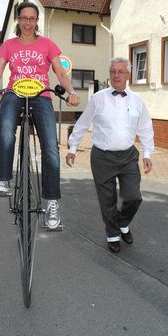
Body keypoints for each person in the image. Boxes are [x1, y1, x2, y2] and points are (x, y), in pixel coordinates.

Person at [0, 1, 79, 229]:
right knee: (5, 128)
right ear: (18, 20)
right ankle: (3, 179)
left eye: (32, 18)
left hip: (41, 94)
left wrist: (71, 91)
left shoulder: (48, 44)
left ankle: (52, 203)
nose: (28, 22)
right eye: (24, 18)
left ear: (37, 21)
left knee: (51, 146)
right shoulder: (9, 45)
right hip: (15, 91)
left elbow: (60, 72)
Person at [66, 57, 154, 252]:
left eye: (120, 72)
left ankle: (122, 223)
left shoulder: (138, 102)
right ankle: (113, 234)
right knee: (107, 200)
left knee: (133, 196)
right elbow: (82, 124)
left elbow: (146, 129)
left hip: (128, 156)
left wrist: (147, 154)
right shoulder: (98, 98)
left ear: (128, 75)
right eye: (113, 71)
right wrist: (73, 148)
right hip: (102, 157)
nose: (116, 75)